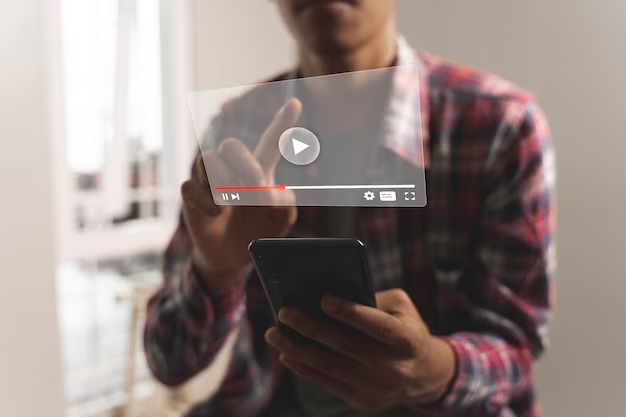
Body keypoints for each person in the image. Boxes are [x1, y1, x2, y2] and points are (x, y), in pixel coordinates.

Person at [144, 0, 555, 416]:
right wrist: (216, 272)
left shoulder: (499, 126)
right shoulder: (235, 131)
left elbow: (516, 346)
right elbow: (169, 360)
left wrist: (430, 368)